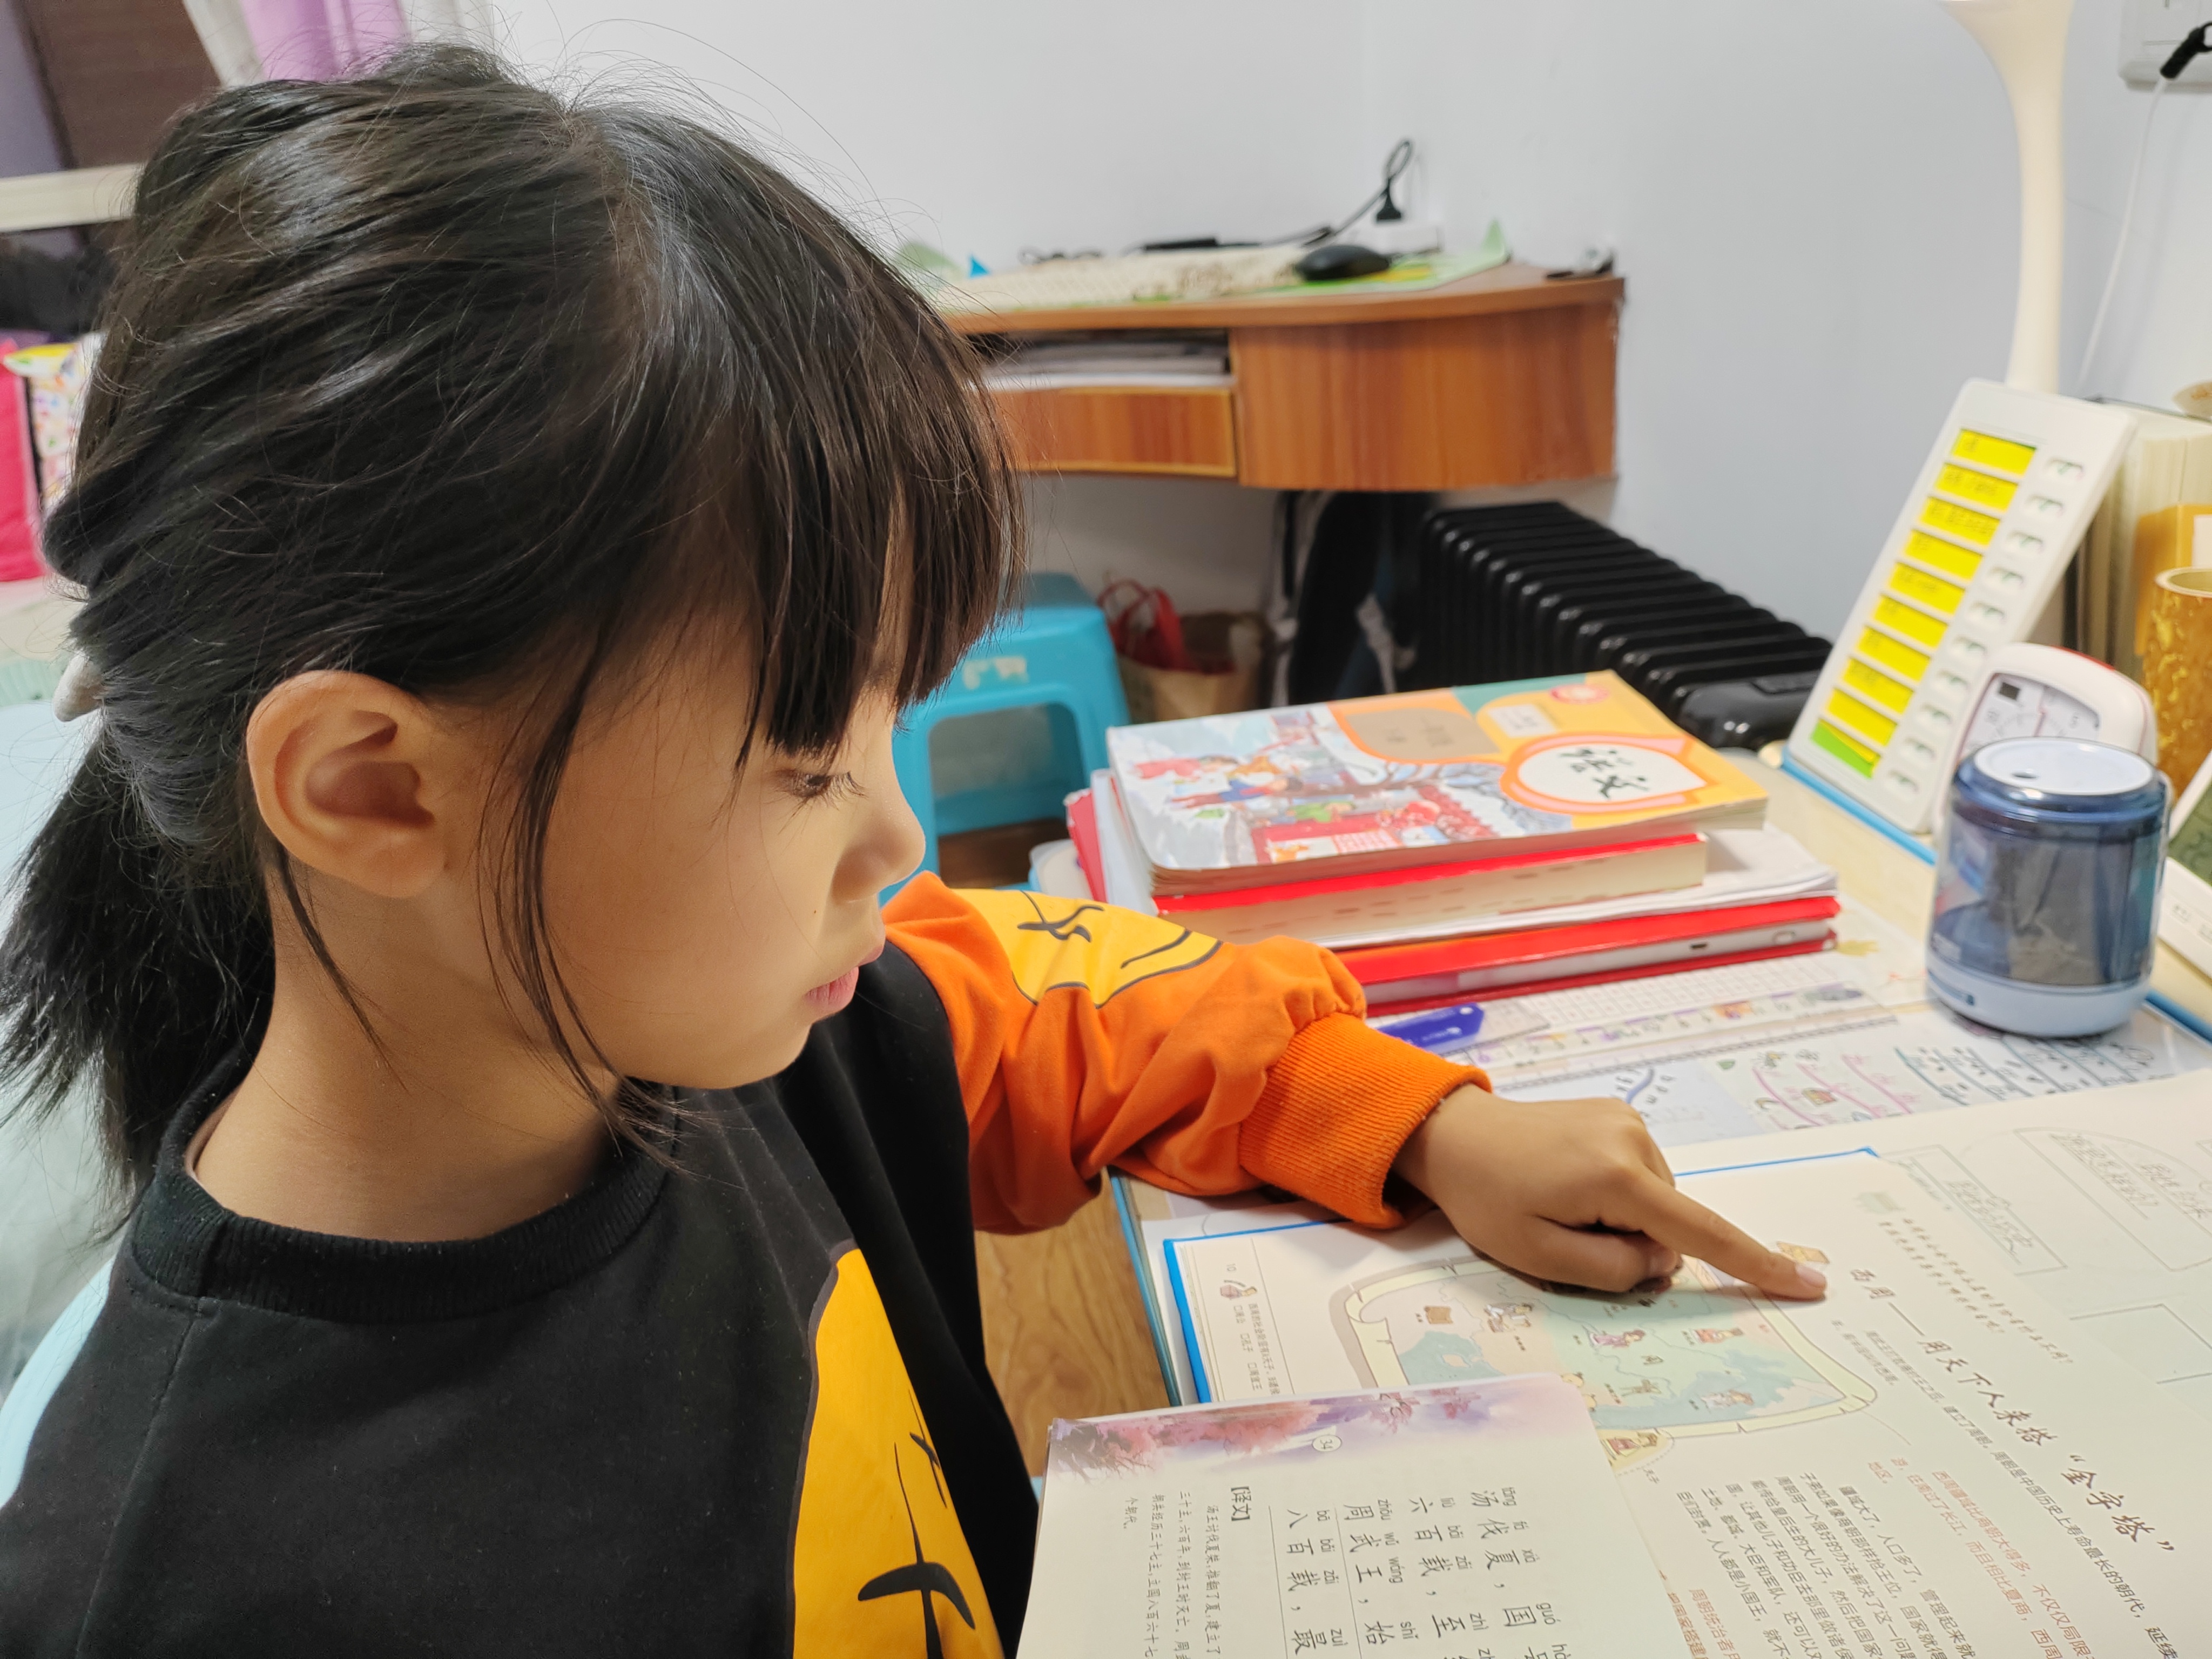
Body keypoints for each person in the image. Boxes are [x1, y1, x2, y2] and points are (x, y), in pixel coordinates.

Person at [0, 49, 1822, 1657]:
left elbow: (1068, 1011)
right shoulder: (186, 1587)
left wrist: (1417, 1121)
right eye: (810, 761)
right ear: (374, 790)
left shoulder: (710, 1030)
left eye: (891, 721)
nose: (901, 831)